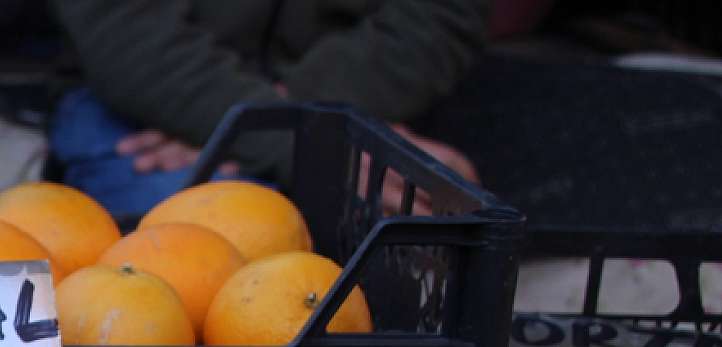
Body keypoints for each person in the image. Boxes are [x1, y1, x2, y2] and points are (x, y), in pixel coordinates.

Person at [50, 0, 486, 214]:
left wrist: (282, 122)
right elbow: (125, 31)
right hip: (148, 108)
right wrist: (286, 136)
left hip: (356, 106)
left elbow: (440, 17)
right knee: (205, 245)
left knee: (434, 238)